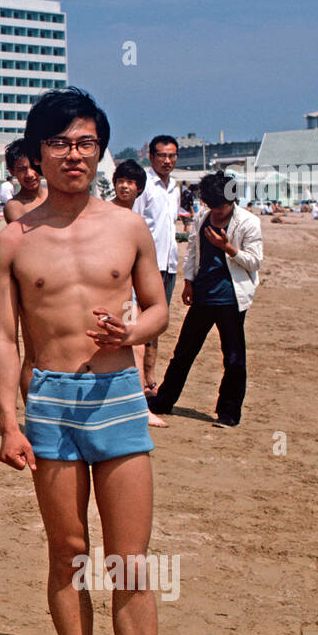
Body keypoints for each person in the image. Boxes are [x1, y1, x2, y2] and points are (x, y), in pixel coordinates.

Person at [0, 86, 183, 635]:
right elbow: (3, 339)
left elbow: (159, 308)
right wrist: (8, 422)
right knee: (69, 554)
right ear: (37, 153)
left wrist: (130, 335)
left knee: (130, 560)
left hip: (118, 399)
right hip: (51, 404)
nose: (73, 154)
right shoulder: (14, 240)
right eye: (59, 143)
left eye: (84, 143)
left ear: (100, 150)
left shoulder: (127, 226)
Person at [149, 171, 263, 428]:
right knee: (183, 353)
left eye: (220, 207)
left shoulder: (248, 222)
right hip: (203, 295)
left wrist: (228, 247)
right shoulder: (202, 216)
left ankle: (229, 412)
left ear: (232, 201)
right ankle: (164, 401)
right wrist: (188, 281)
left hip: (231, 299)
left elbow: (255, 261)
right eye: (211, 206)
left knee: (234, 358)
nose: (216, 212)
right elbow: (192, 250)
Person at [111, 161, 167, 429]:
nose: (124, 186)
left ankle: (138, 405)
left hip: (128, 293)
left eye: (131, 183)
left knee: (135, 343)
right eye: (121, 180)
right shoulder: (105, 214)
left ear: (139, 189)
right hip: (105, 292)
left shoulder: (136, 220)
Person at [133, 135, 181, 403]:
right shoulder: (144, 185)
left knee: (156, 325)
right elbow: (135, 222)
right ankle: (137, 379)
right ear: (151, 157)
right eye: (162, 155)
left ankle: (151, 379)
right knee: (138, 322)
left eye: (172, 156)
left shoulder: (175, 187)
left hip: (169, 264)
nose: (167, 160)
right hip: (144, 266)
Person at [2, 138, 48, 223]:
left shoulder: (57, 196)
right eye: (22, 169)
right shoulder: (15, 206)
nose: (29, 174)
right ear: (12, 172)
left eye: (34, 167)